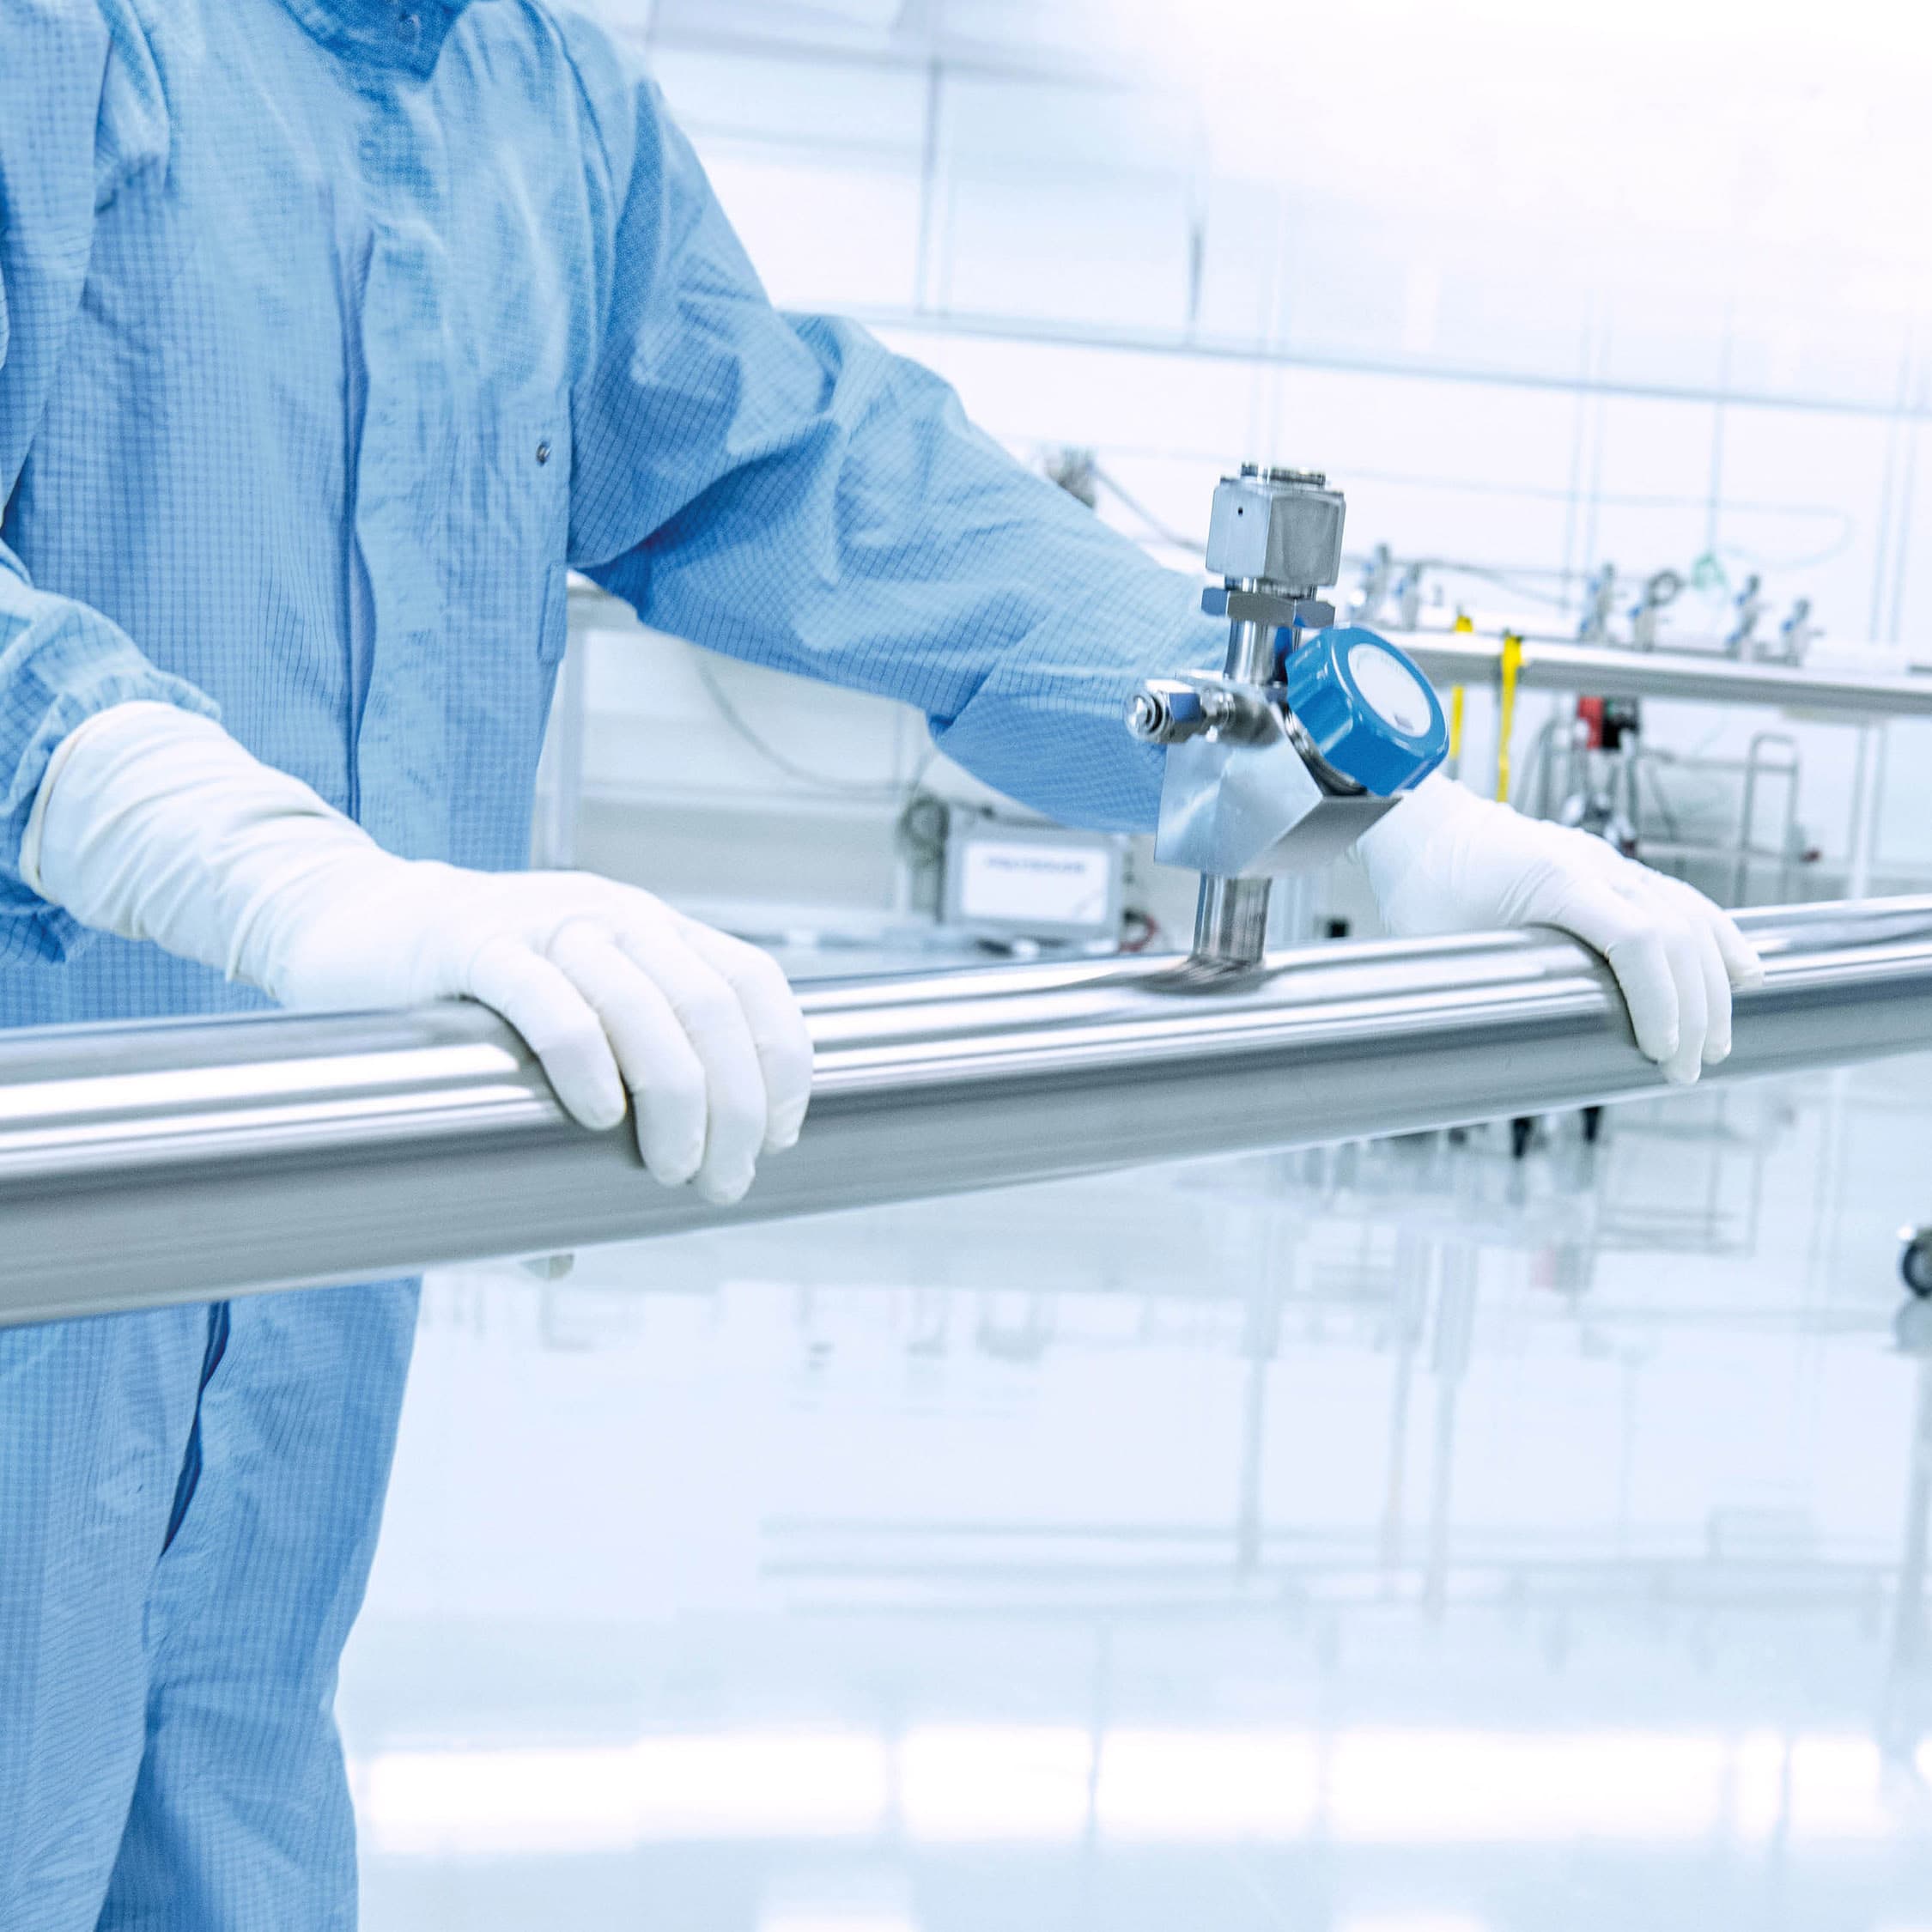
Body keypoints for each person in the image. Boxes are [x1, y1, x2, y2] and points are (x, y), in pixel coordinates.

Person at [0, 1, 1759, 1922]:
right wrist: (194, 834)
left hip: (307, 1281)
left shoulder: (543, 108)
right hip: (60, 1181)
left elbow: (818, 475)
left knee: (214, 1786)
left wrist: (1340, 795)